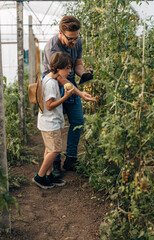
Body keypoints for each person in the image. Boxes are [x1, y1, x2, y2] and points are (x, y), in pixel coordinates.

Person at [43, 15, 96, 177]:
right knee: (57, 124)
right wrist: (79, 92)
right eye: (70, 39)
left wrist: (84, 74)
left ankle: (71, 158)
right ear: (61, 33)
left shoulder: (77, 41)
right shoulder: (52, 47)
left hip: (69, 81)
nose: (74, 42)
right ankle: (56, 162)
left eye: (76, 38)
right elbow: (59, 77)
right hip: (54, 83)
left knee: (78, 120)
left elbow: (78, 64)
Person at [32, 52, 75, 189]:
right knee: (55, 150)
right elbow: (49, 106)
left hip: (47, 121)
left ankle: (49, 175)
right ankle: (40, 176)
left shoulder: (49, 79)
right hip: (50, 123)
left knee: (49, 149)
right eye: (67, 68)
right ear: (58, 68)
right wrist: (65, 97)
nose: (69, 71)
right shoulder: (51, 83)